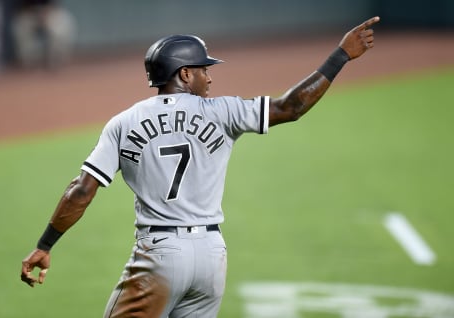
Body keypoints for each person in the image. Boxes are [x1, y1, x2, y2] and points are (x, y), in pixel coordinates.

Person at [21, 16, 380, 317]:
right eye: (204, 69)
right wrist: (341, 56)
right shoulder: (222, 112)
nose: (210, 77)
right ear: (185, 73)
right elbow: (292, 107)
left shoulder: (123, 123)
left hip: (159, 255)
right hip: (211, 259)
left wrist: (45, 245)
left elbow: (81, 190)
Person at [11, 0, 75, 69]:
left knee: (62, 25)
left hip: (49, 13)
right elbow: (20, 9)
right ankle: (31, 60)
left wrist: (45, 13)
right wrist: (36, 13)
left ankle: (56, 59)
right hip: (29, 14)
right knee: (21, 27)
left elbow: (55, 5)